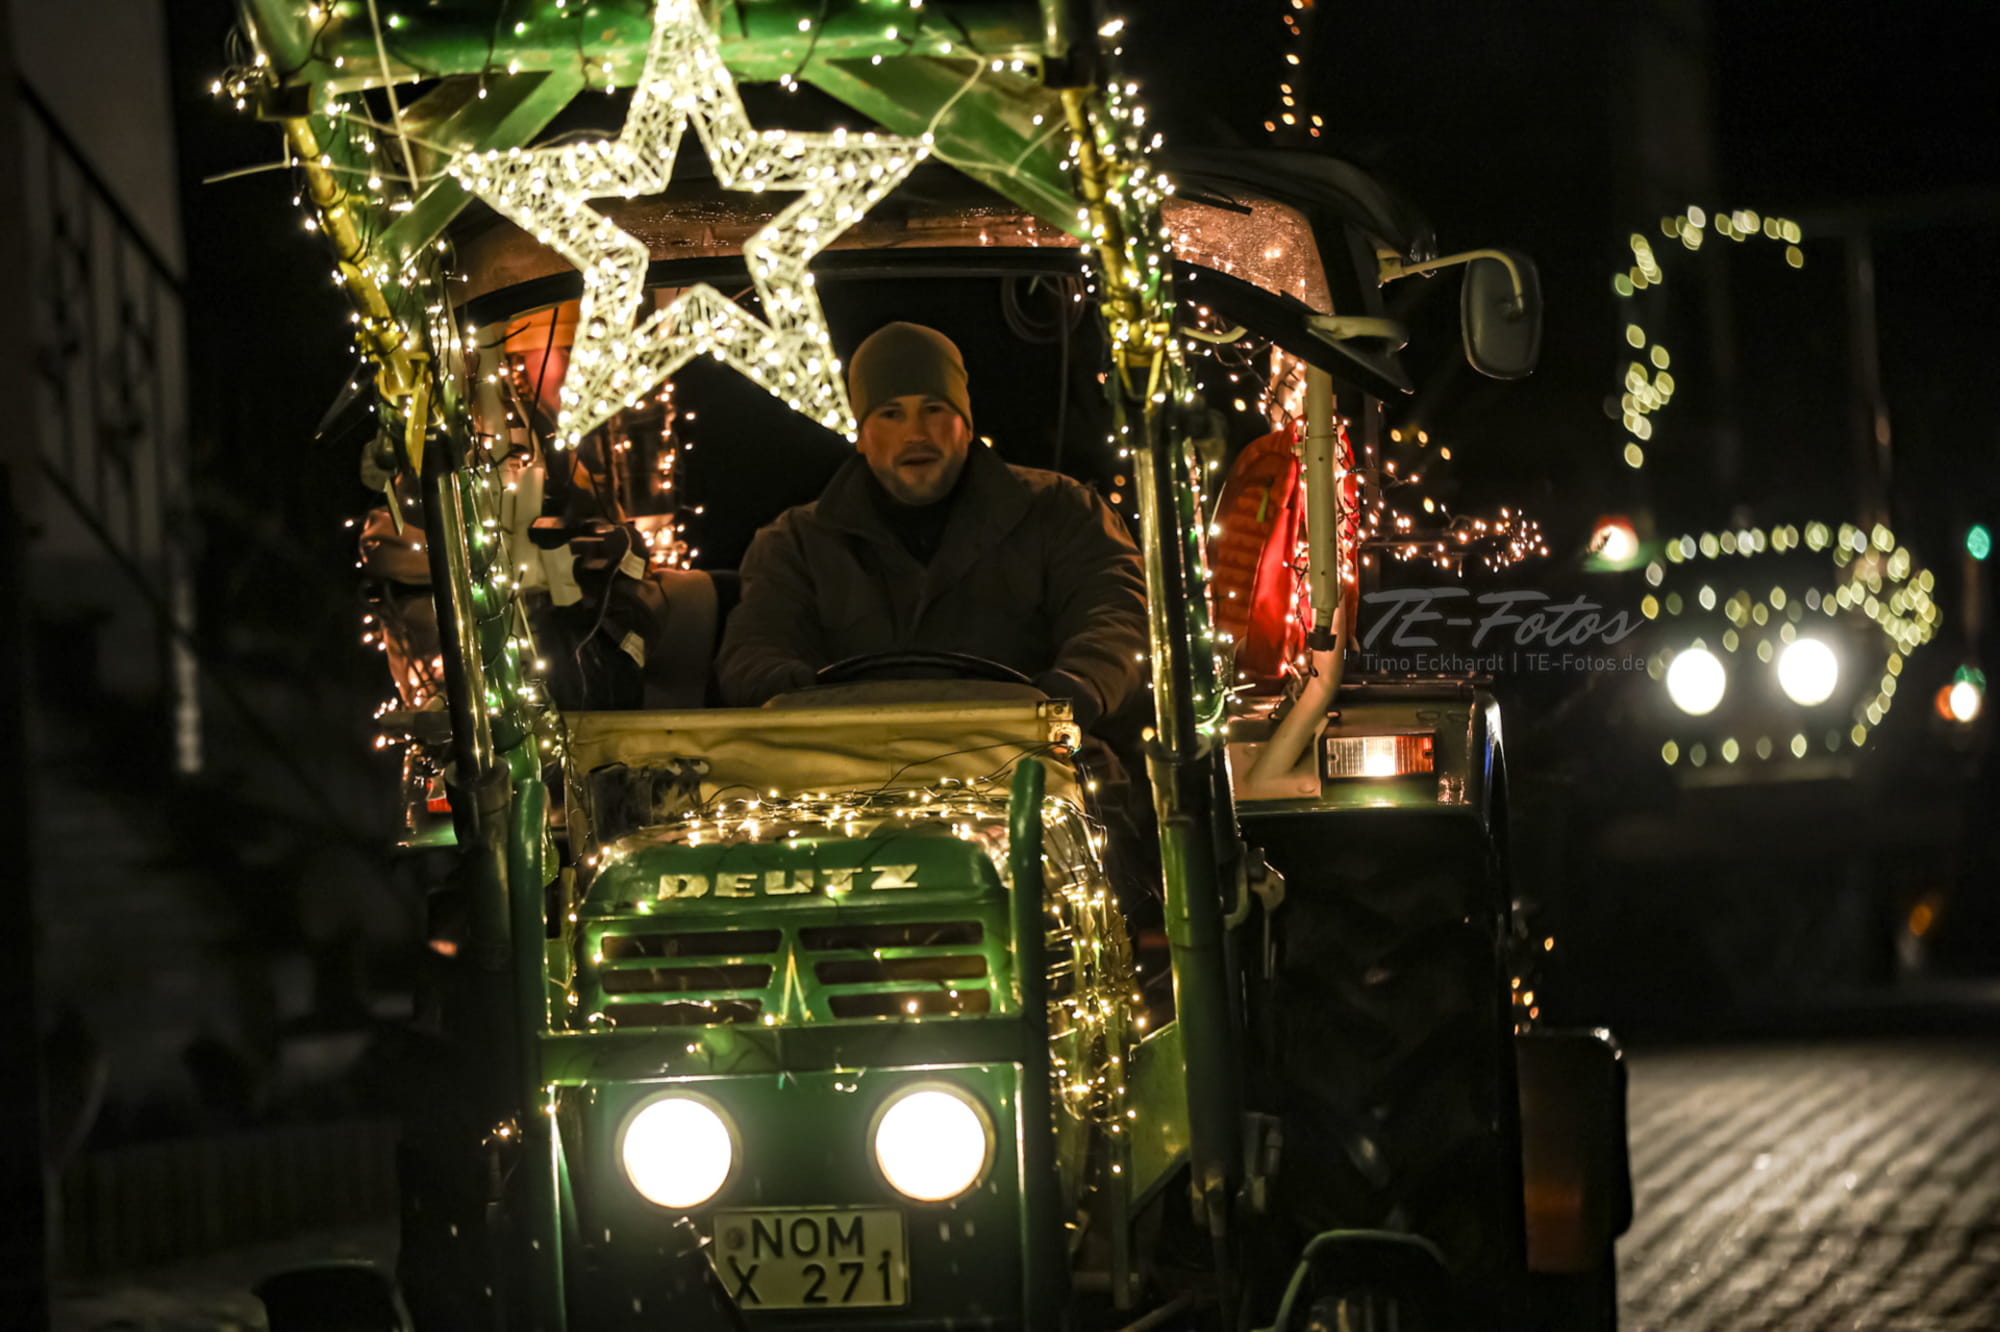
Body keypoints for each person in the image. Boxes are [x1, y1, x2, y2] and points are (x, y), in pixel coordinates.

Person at [715, 321, 1148, 732]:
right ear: (862, 435)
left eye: (934, 409)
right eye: (891, 414)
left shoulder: (1062, 511)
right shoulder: (795, 543)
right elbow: (755, 644)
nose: (916, 433)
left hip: (1033, 759)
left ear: (967, 425)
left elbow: (1114, 613)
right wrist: (793, 695)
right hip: (846, 767)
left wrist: (1076, 688)